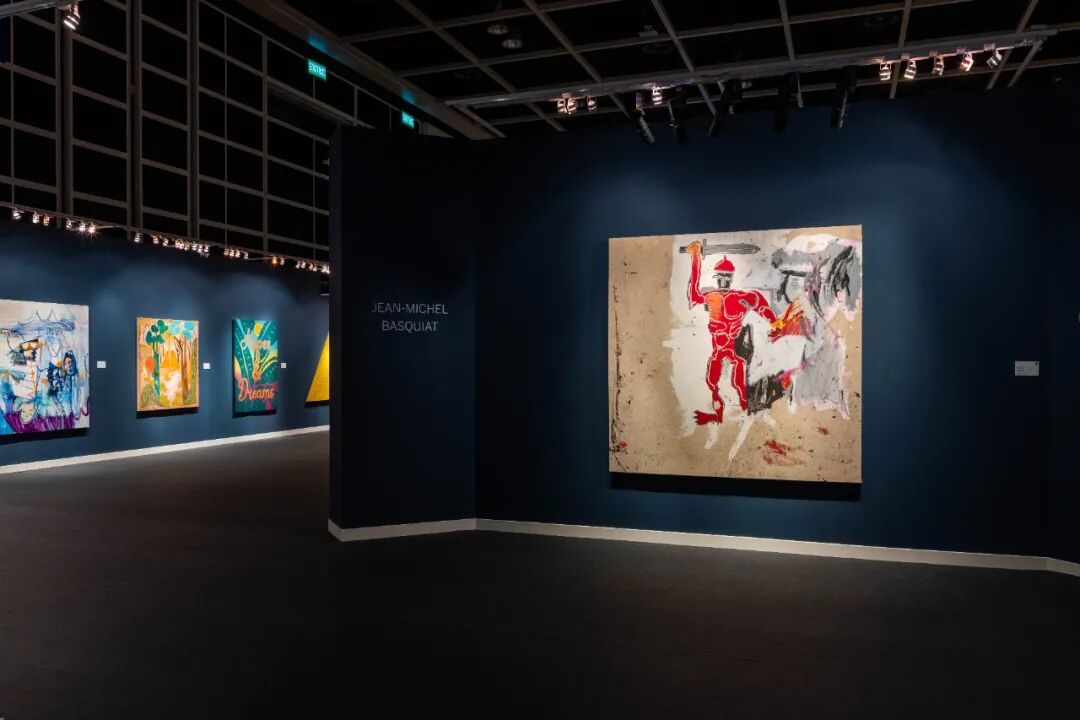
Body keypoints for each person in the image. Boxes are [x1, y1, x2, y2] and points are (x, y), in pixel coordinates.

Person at [685, 242, 800, 424]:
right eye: (720, 276)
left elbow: (761, 306)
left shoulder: (739, 298)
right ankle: (719, 414)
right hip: (718, 349)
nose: (724, 280)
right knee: (711, 382)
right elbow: (693, 295)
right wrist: (696, 258)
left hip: (734, 348)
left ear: (731, 278)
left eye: (727, 277)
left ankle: (747, 410)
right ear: (716, 278)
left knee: (738, 384)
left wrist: (775, 322)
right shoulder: (711, 297)